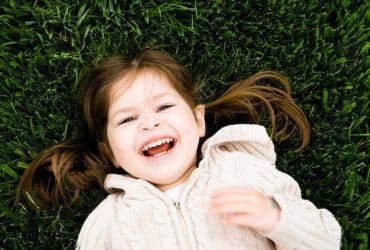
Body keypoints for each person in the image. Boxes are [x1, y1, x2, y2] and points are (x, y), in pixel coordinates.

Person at [17, 49, 341, 249]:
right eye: (128, 118)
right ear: (110, 153)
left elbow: (326, 240)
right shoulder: (108, 223)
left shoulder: (242, 171)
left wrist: (277, 219)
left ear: (199, 121)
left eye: (163, 107)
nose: (148, 124)